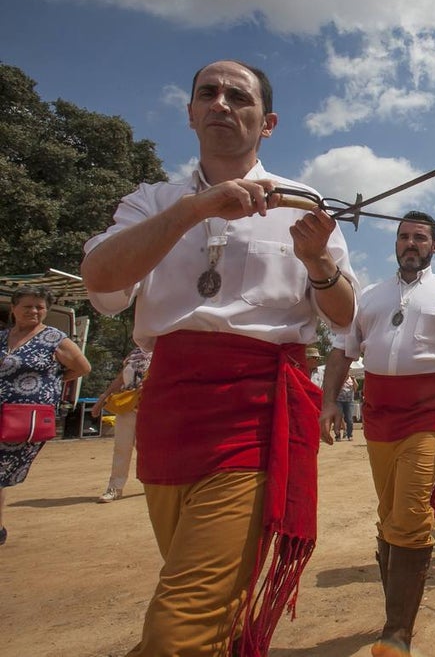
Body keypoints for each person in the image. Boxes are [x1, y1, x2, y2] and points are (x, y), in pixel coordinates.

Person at [82, 59, 357, 657]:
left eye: (238, 96)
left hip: (255, 414)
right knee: (212, 607)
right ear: (190, 113)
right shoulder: (152, 200)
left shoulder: (302, 202)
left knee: (180, 628)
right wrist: (195, 210)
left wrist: (317, 261)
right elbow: (100, 280)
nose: (221, 103)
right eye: (208, 93)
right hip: (168, 413)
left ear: (268, 123)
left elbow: (342, 314)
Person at [322, 210, 435, 653]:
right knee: (390, 511)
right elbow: (342, 351)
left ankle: (397, 633)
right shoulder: (368, 295)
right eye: (404, 237)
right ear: (395, 244)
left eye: (420, 238)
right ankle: (397, 612)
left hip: (427, 412)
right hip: (379, 414)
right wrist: (328, 402)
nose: (411, 244)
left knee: (411, 515)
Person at [0, 286, 91, 545]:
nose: (34, 311)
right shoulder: (3, 337)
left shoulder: (54, 338)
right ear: (14, 308)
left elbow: (83, 367)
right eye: (28, 306)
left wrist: (50, 382)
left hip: (26, 418)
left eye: (40, 307)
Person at [90, 346, 152, 503]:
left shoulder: (166, 349)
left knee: (150, 450)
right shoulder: (134, 353)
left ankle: (157, 485)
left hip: (153, 409)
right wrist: (103, 398)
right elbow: (120, 379)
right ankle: (115, 488)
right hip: (127, 406)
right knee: (121, 448)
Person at [334, 372, 357, 441]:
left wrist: (354, 380)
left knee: (350, 419)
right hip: (339, 401)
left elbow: (355, 389)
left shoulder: (352, 379)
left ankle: (349, 435)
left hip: (349, 401)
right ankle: (338, 436)